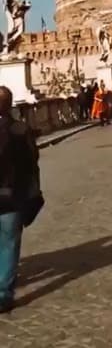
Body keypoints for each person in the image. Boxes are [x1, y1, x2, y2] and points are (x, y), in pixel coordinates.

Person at [0, 86, 41, 312]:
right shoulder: (20, 129)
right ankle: (3, 294)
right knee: (8, 244)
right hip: (12, 197)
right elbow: (31, 160)